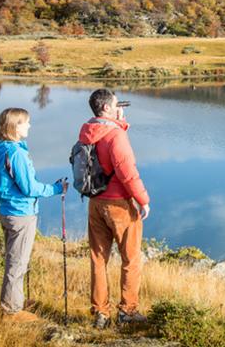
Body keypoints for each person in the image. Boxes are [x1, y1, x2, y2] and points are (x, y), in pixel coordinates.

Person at [0, 107, 67, 322]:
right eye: (26, 122)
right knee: (17, 263)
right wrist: (57, 189)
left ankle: (15, 300)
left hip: (7, 210)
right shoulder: (16, 153)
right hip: (21, 213)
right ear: (16, 125)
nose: (29, 126)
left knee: (15, 259)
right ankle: (11, 311)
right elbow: (29, 188)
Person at [79, 88, 150, 328]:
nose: (120, 107)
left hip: (95, 202)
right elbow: (126, 171)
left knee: (98, 259)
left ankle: (101, 312)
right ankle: (127, 311)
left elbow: (102, 154)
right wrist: (143, 200)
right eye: (117, 104)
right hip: (118, 203)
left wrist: (120, 123)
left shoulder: (87, 131)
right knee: (131, 259)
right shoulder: (115, 135)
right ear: (107, 107)